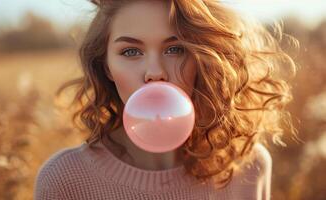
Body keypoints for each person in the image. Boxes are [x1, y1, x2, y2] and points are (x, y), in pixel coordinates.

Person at [34, 0, 298, 199]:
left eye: (175, 49)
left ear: (201, 59)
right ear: (106, 67)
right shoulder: (65, 180)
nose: (155, 72)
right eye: (130, 51)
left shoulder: (248, 166)